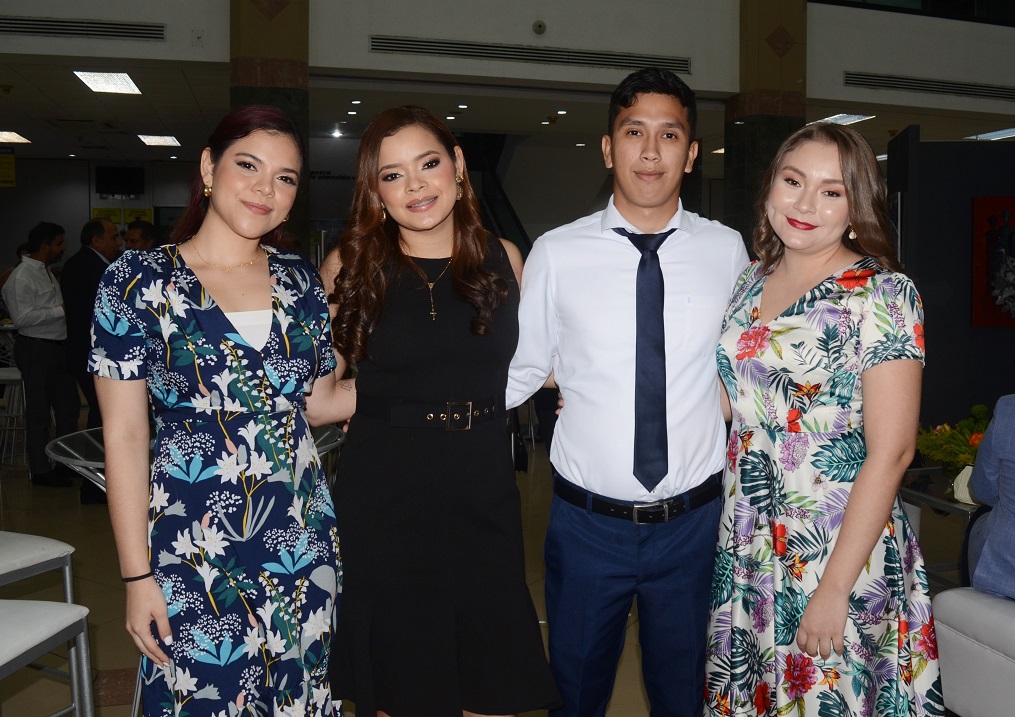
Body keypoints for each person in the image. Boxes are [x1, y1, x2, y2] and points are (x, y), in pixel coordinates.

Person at [91, 105, 353, 716]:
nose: (266, 189)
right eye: (249, 166)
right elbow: (124, 434)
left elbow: (319, 402)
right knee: (201, 696)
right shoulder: (138, 282)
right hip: (195, 546)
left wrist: (427, 384)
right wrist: (136, 576)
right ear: (209, 168)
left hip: (300, 538)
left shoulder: (300, 281)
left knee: (301, 697)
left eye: (285, 178)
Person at [507, 68, 749, 717]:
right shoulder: (556, 253)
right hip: (587, 527)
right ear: (608, 149)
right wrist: (414, 408)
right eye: (633, 132)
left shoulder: (726, 251)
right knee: (574, 695)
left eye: (669, 135)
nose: (650, 151)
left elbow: (743, 367)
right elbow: (522, 369)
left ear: (691, 154)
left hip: (694, 526)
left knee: (685, 697)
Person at [321, 105, 560, 717]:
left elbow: (535, 367)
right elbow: (321, 398)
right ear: (375, 192)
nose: (415, 185)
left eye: (428, 164)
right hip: (384, 489)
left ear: (456, 166)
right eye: (392, 175)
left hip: (481, 483)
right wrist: (394, 399)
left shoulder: (505, 258)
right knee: (399, 679)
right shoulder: (351, 264)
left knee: (490, 677)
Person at [703, 123, 942, 715]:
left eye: (831, 191)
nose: (805, 204)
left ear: (856, 207)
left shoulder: (882, 294)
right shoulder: (751, 280)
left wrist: (835, 588)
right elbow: (731, 404)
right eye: (793, 181)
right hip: (749, 537)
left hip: (834, 545)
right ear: (770, 187)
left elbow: (893, 451)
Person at [2, 222, 79, 487]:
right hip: (36, 347)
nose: (63, 248)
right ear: (45, 245)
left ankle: (66, 463)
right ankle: (40, 470)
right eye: (59, 243)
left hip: (57, 346)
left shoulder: (44, 271)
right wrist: (61, 310)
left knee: (68, 408)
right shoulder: (21, 276)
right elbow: (22, 319)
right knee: (39, 412)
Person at [62, 218, 121, 430]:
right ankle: (97, 449)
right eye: (114, 237)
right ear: (96, 240)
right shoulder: (91, 267)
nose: (119, 243)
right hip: (92, 350)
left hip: (86, 349)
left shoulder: (79, 263)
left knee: (101, 407)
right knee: (102, 408)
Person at [968, 394, 1015, 599]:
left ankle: (974, 603)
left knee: (980, 524)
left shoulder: (1009, 407)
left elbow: (983, 489)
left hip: (1004, 570)